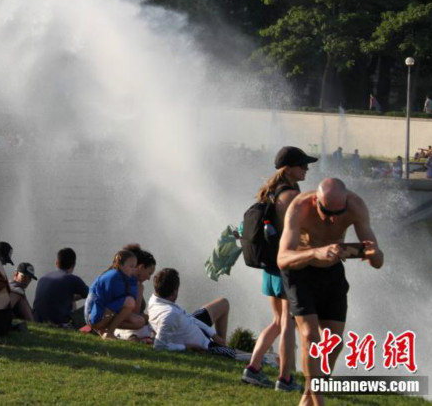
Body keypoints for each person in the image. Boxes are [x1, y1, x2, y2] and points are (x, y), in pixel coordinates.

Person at [277, 178, 384, 406]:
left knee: (334, 342)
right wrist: (315, 253)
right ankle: (319, 402)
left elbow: (378, 261)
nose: (333, 219)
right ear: (316, 200)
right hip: (300, 271)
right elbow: (282, 258)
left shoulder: (356, 206)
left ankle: (309, 394)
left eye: (339, 212)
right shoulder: (299, 208)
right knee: (310, 337)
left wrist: (374, 254)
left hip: (331, 272)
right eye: (327, 212)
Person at [242, 146, 316, 392]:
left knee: (277, 321)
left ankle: (252, 369)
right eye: (303, 165)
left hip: (270, 265)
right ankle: (285, 379)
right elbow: (299, 231)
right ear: (290, 168)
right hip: (285, 264)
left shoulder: (272, 191)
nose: (306, 169)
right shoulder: (291, 195)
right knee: (287, 322)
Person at [148, 268, 235, 358]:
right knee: (241, 356)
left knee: (223, 303)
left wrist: (213, 334)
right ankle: (221, 348)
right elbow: (159, 346)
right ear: (174, 292)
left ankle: (222, 343)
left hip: (191, 323)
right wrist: (186, 347)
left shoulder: (154, 299)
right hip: (204, 344)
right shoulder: (169, 315)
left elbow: (189, 317)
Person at [85, 249, 146, 340]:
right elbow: (108, 302)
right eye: (131, 266)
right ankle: (108, 332)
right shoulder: (113, 277)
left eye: (134, 267)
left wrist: (138, 285)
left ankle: (105, 332)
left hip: (104, 313)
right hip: (94, 317)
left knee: (139, 321)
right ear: (120, 265)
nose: (133, 270)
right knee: (129, 302)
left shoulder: (125, 277)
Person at [33, 247, 89, 326]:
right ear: (73, 265)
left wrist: (71, 298)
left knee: (70, 300)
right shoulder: (72, 279)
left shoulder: (43, 278)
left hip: (38, 321)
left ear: (56, 263)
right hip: (59, 323)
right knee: (90, 306)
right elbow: (90, 293)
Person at [116, 243, 156, 341]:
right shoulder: (136, 286)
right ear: (141, 267)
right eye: (149, 273)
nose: (149, 278)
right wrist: (149, 317)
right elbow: (135, 314)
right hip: (126, 328)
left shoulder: (126, 280)